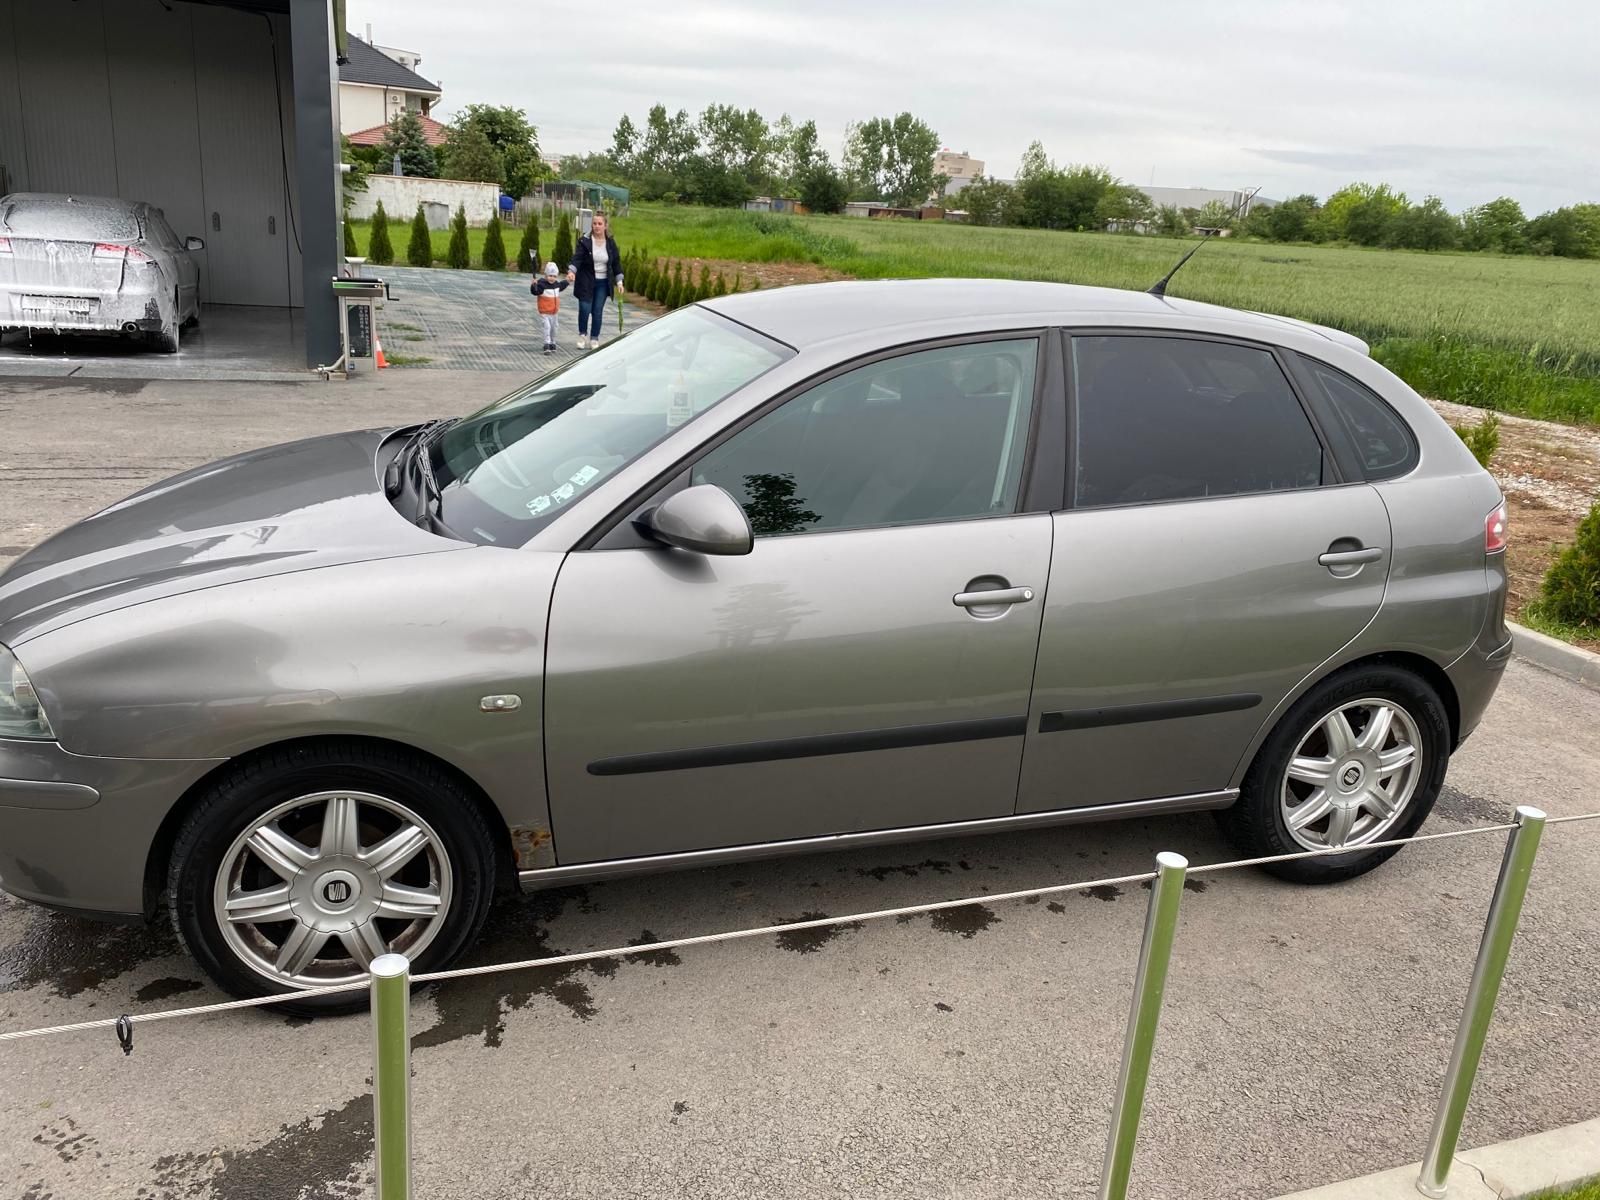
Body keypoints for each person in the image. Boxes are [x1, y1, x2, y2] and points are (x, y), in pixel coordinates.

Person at [566, 212, 623, 350]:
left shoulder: (610, 243)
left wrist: (619, 282)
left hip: (603, 283)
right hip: (586, 280)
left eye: (600, 224)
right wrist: (571, 271)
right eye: (594, 223)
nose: (597, 226)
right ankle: (582, 334)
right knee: (585, 309)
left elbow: (616, 263)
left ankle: (594, 338)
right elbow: (577, 258)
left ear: (605, 226)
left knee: (597, 311)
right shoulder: (584, 241)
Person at [531, 261, 568, 353]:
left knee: (554, 328)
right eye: (550, 276)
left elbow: (561, 286)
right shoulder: (542, 285)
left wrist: (568, 280)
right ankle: (546, 344)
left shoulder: (556, 285)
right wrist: (533, 285)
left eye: (554, 276)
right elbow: (535, 292)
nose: (552, 278)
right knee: (547, 327)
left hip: (554, 312)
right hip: (545, 312)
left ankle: (553, 342)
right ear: (546, 275)